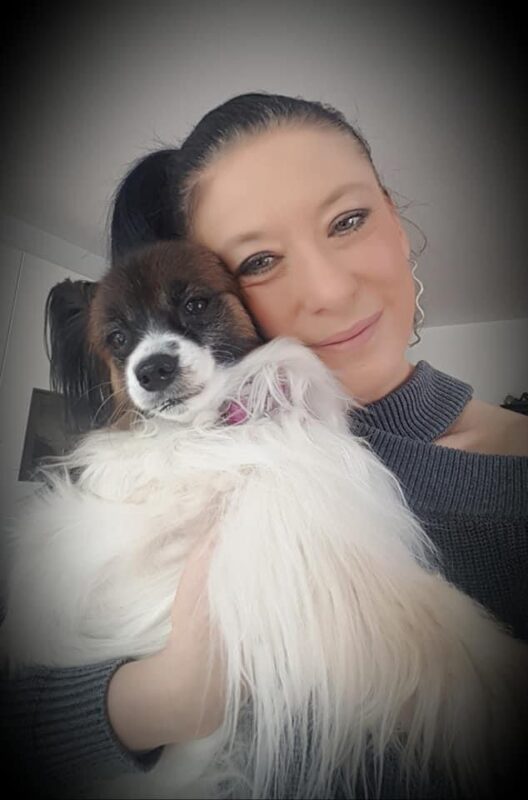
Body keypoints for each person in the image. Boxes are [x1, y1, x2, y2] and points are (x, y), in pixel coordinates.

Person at [1, 92, 527, 799]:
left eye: (348, 220)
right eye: (259, 260)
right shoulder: (203, 467)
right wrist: (161, 697)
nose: (329, 289)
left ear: (395, 217)